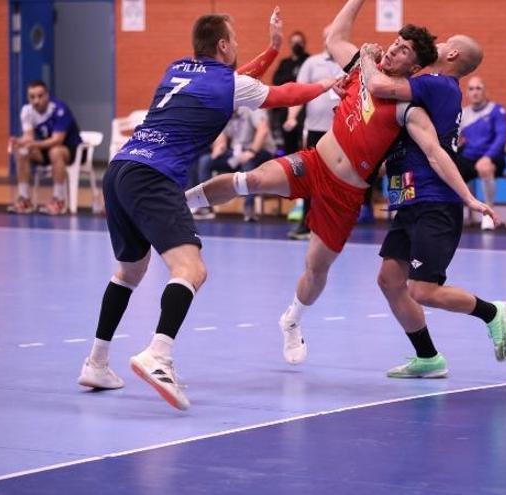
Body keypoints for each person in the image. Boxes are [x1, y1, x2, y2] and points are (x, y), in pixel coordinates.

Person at [76, 9, 339, 410]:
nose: (236, 46)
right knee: (191, 270)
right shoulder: (229, 84)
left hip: (121, 169)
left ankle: (96, 362)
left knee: (130, 271)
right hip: (152, 175)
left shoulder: (178, 68)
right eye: (233, 39)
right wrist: (327, 84)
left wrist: (271, 50)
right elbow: (282, 94)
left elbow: (240, 80)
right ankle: (158, 355)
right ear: (223, 45)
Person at [184, 0, 439, 366]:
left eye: (405, 50)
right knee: (252, 179)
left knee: (316, 269)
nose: (395, 48)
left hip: (345, 194)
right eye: (396, 41)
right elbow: (336, 36)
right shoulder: (360, 66)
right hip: (314, 163)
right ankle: (183, 203)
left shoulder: (402, 97)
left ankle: (292, 320)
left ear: (413, 67)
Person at [356, 37, 506, 378]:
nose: (437, 43)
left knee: (421, 289)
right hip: (410, 200)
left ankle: (492, 312)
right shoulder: (430, 87)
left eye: (444, 41)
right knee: (389, 280)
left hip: (434, 201)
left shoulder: (439, 84)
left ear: (452, 53)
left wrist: (366, 57)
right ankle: (428, 357)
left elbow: (378, 84)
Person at [283, 26, 345, 240]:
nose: (331, 39)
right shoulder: (312, 63)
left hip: (341, 133)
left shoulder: (349, 63)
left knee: (337, 179)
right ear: (324, 39)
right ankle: (306, 224)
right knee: (311, 176)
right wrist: (292, 117)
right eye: (328, 36)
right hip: (315, 130)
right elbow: (298, 92)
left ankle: (332, 226)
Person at [8, 81, 82, 215]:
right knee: (21, 151)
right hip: (45, 150)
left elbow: (57, 140)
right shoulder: (27, 111)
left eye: (40, 96)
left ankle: (59, 200)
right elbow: (29, 137)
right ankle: (24, 199)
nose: (36, 101)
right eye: (32, 97)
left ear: (47, 95)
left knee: (55, 151)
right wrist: (19, 141)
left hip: (70, 150)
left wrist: (33, 144)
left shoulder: (59, 109)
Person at [191, 107, 276, 221]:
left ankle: (249, 209)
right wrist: (219, 147)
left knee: (248, 163)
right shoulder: (225, 112)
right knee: (206, 160)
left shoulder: (252, 109)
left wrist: (251, 151)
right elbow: (222, 136)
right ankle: (206, 208)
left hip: (260, 151)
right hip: (237, 153)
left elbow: (263, 130)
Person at [457, 76, 506, 231]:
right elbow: (454, 138)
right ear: (467, 93)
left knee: (484, 168)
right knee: (449, 170)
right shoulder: (463, 114)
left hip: (493, 158)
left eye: (478, 88)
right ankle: (455, 214)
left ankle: (488, 213)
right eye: (471, 89)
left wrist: (487, 157)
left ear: (485, 91)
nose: (475, 92)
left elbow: (502, 137)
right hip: (469, 157)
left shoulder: (497, 110)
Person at [270, 31, 310, 155]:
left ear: (304, 44)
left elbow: (306, 83)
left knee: (303, 138)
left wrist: (291, 81)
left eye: (299, 42)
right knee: (287, 138)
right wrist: (293, 79)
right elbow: (276, 80)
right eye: (294, 42)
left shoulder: (308, 60)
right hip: (285, 105)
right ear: (290, 44)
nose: (296, 45)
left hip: (304, 106)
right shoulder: (285, 63)